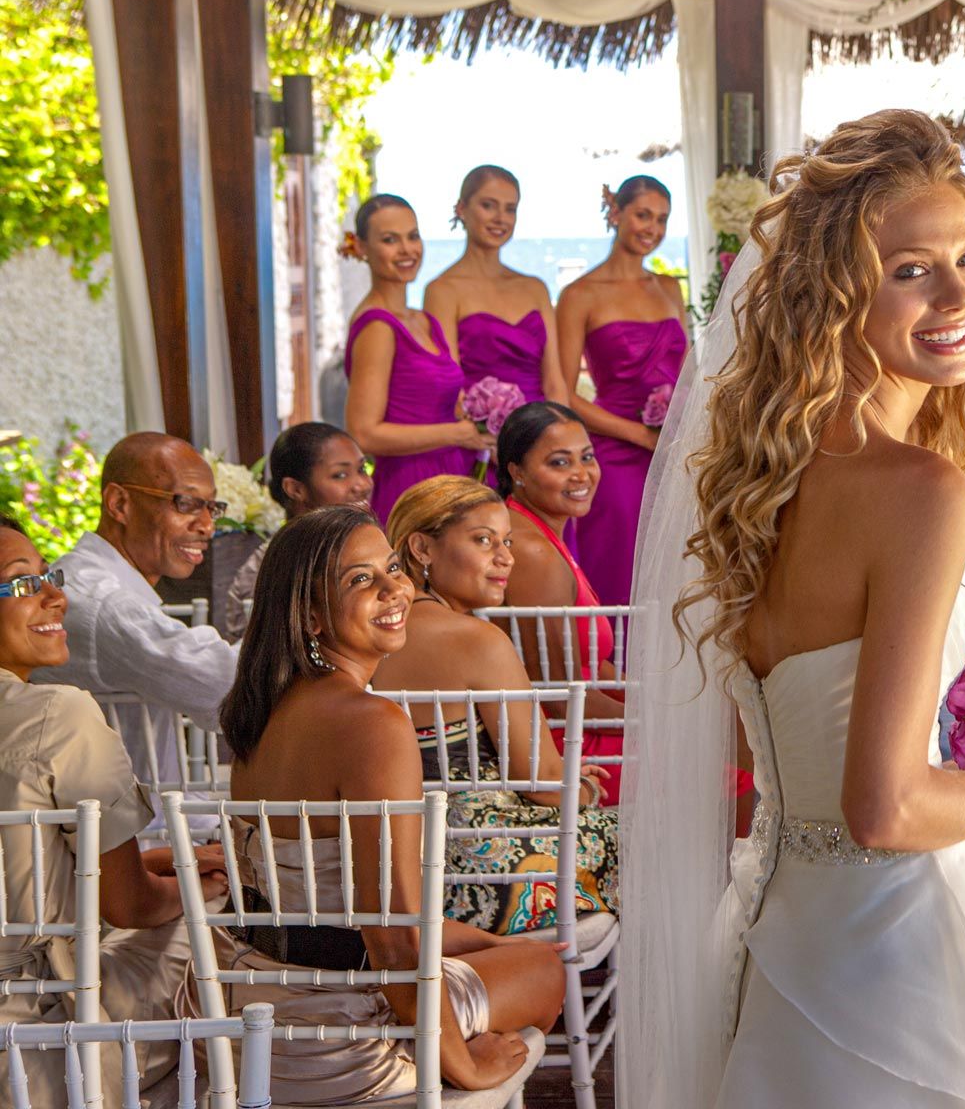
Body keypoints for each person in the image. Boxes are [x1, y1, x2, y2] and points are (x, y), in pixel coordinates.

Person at [621, 109, 965, 1106]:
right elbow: (888, 807)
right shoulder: (923, 489)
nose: (960, 293)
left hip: (779, 931)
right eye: (911, 268)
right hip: (899, 959)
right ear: (836, 293)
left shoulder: (762, 482)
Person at [218, 507, 565, 1102]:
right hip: (340, 1038)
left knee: (516, 952)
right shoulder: (371, 722)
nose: (394, 589)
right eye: (361, 580)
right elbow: (391, 936)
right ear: (310, 613)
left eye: (393, 568)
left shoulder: (264, 712)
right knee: (544, 971)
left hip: (252, 1023)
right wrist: (462, 1064)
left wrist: (487, 943)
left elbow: (327, 914)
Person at [0, 514, 229, 1106]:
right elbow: (130, 904)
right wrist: (205, 881)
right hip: (38, 1040)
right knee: (224, 924)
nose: (57, 595)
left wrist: (169, 861)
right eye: (23, 582)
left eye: (50, 575)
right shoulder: (58, 714)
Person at [376, 476, 619, 934]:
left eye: (506, 541)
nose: (505, 557)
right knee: (650, 838)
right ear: (421, 548)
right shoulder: (479, 641)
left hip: (395, 872)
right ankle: (612, 1003)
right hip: (483, 874)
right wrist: (585, 789)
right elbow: (547, 786)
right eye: (483, 541)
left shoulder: (372, 632)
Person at [39, 434, 236, 739]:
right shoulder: (101, 601)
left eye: (212, 507)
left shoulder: (94, 582)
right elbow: (225, 683)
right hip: (110, 788)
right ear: (119, 503)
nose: (208, 526)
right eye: (186, 504)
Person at [556, 175, 690, 606]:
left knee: (676, 569)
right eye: (643, 214)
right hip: (616, 456)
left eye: (662, 219)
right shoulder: (579, 295)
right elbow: (562, 394)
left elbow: (691, 373)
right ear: (615, 214)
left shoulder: (669, 288)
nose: (652, 227)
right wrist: (642, 436)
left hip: (675, 453)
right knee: (619, 569)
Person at [496, 401, 625, 801]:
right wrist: (648, 722)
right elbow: (555, 696)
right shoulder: (530, 551)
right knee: (724, 766)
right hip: (562, 746)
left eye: (586, 457)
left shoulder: (538, 530)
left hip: (575, 721)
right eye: (559, 463)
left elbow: (586, 665)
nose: (581, 474)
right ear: (516, 472)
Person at [342, 194, 490, 523]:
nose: (407, 249)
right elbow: (364, 433)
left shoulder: (426, 322)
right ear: (362, 247)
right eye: (390, 240)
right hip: (411, 485)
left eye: (413, 236)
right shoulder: (377, 326)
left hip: (452, 477)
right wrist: (458, 434)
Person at [426, 165, 563, 411]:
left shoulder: (535, 289)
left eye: (510, 209)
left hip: (541, 432)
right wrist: (486, 442)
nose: (500, 218)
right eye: (488, 205)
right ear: (462, 209)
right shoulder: (442, 290)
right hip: (478, 437)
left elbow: (555, 384)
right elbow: (451, 390)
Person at [222, 422, 374, 640]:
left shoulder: (368, 549)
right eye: (340, 475)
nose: (362, 484)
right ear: (295, 489)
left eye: (361, 469)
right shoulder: (270, 569)